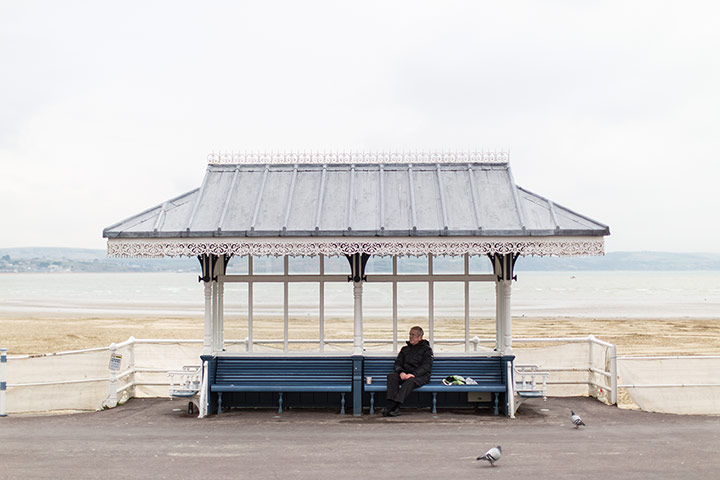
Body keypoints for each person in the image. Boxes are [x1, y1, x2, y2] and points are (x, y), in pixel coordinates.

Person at [381, 326, 433, 417]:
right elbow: (397, 363)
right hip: (405, 374)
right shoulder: (405, 349)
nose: (410, 337)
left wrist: (413, 374)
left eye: (413, 335)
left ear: (420, 337)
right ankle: (393, 406)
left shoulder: (427, 350)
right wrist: (401, 372)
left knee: (410, 381)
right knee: (392, 376)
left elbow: (426, 366)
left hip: (420, 376)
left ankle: (393, 406)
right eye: (410, 334)